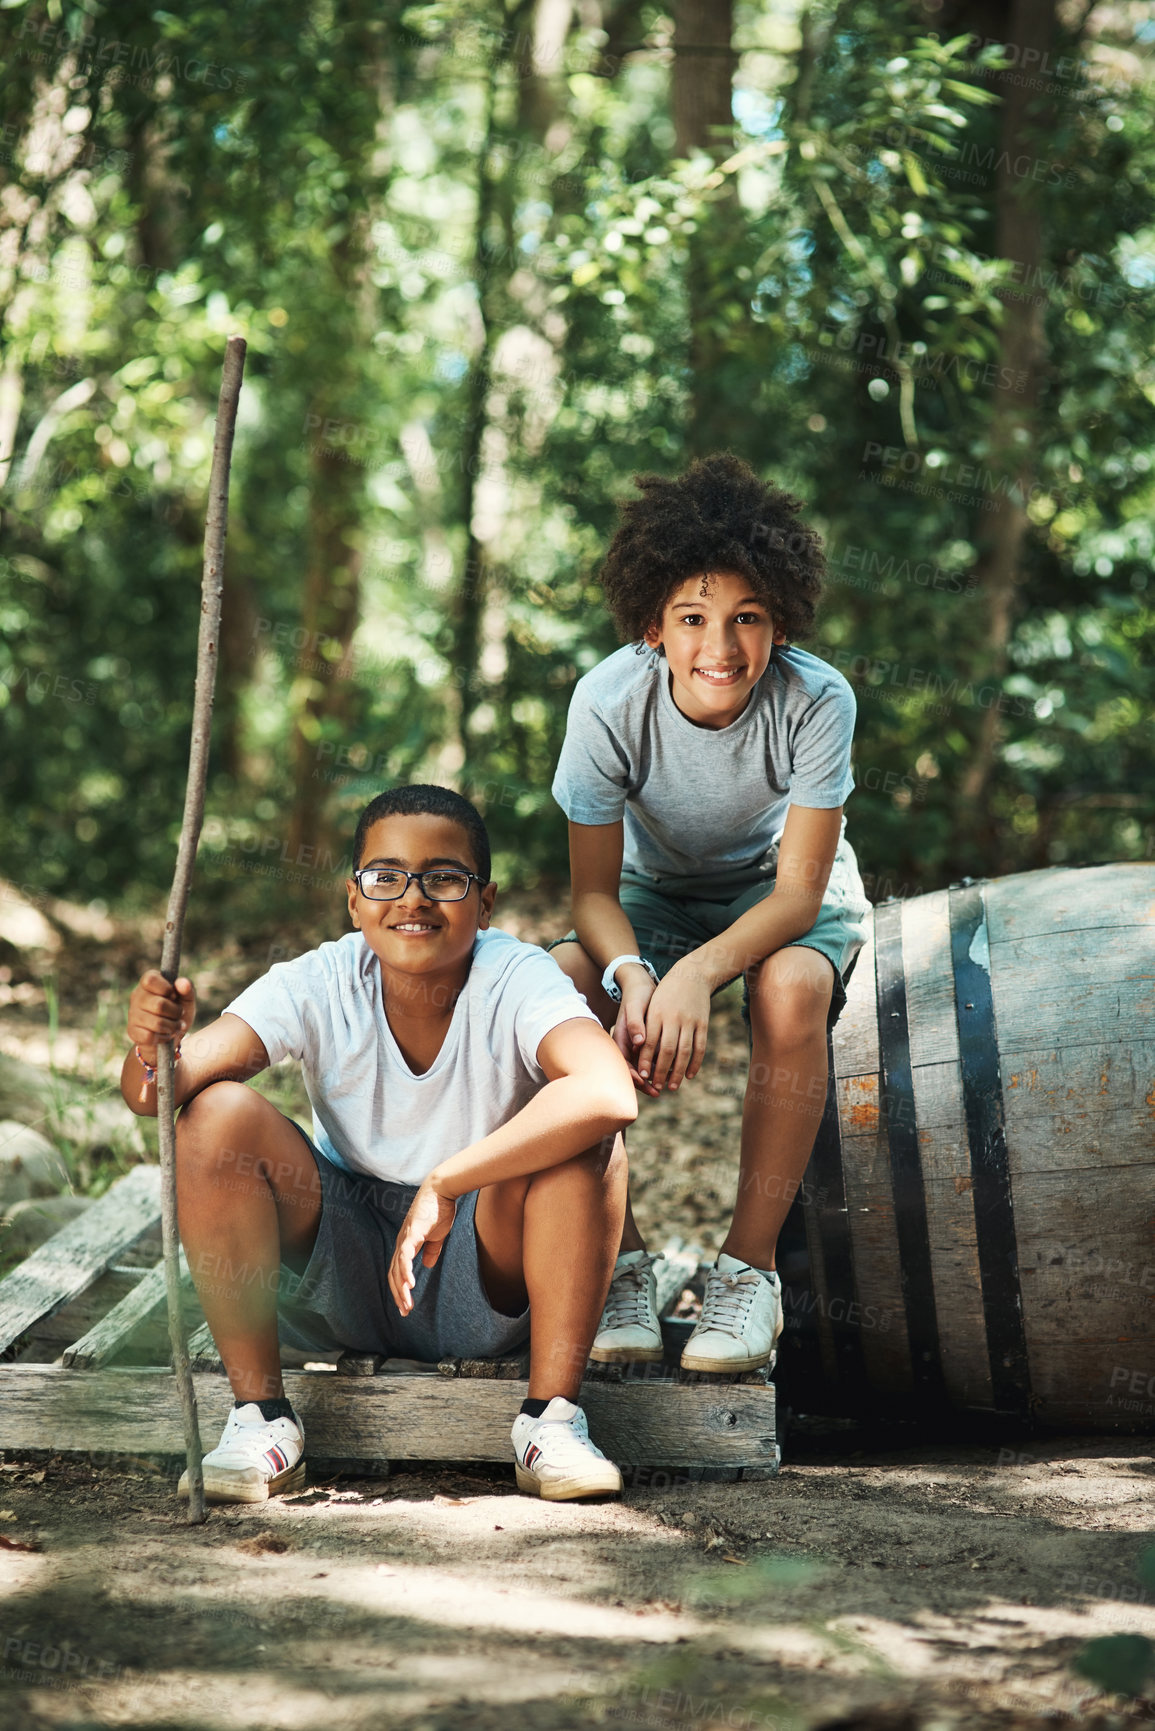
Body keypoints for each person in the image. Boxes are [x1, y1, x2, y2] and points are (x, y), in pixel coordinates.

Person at [121, 785, 636, 1504]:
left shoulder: (516, 975)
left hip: (485, 1273)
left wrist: (449, 1180)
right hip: (345, 1267)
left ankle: (549, 1420)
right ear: (354, 899)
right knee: (214, 1115)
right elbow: (156, 1093)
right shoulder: (321, 978)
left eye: (444, 878)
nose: (413, 899)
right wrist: (153, 1044)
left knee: (586, 1143)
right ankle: (260, 1419)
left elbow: (610, 1091)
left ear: (484, 904)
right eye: (385, 876)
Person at [549, 452, 872, 1376]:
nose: (719, 647)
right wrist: (638, 973)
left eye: (746, 618)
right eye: (692, 618)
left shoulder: (817, 700)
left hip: (778, 888)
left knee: (792, 986)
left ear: (781, 618)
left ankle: (747, 1271)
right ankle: (620, 1261)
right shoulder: (607, 702)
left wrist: (697, 972)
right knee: (563, 980)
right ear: (653, 625)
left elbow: (801, 897)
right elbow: (593, 897)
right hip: (652, 894)